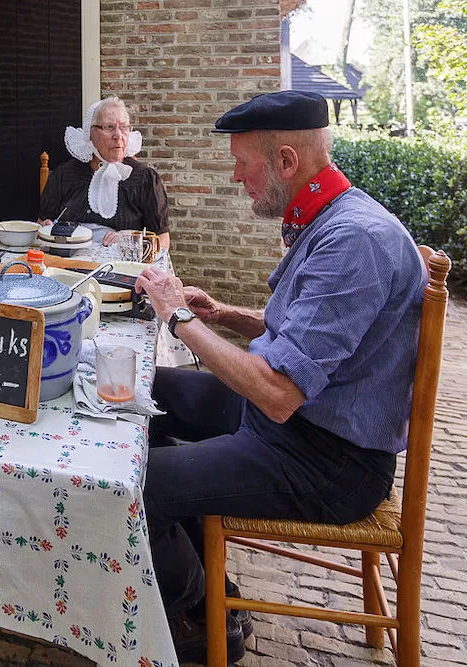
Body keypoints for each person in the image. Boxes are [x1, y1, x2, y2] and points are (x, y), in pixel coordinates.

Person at [132, 91, 426, 664]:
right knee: (151, 396)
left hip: (326, 458)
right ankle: (197, 559)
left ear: (288, 162)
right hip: (304, 423)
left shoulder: (354, 240)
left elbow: (276, 391)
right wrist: (228, 315)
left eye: (245, 164)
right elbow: (322, 334)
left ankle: (203, 610)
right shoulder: (337, 216)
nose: (237, 177)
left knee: (131, 484)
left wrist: (180, 317)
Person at [39, 96, 170, 249]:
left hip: (123, 266)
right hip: (68, 263)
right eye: (109, 127)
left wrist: (129, 239)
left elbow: (163, 240)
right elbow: (43, 222)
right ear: (91, 134)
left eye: (124, 127)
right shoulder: (65, 175)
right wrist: (46, 228)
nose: (118, 136)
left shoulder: (145, 179)